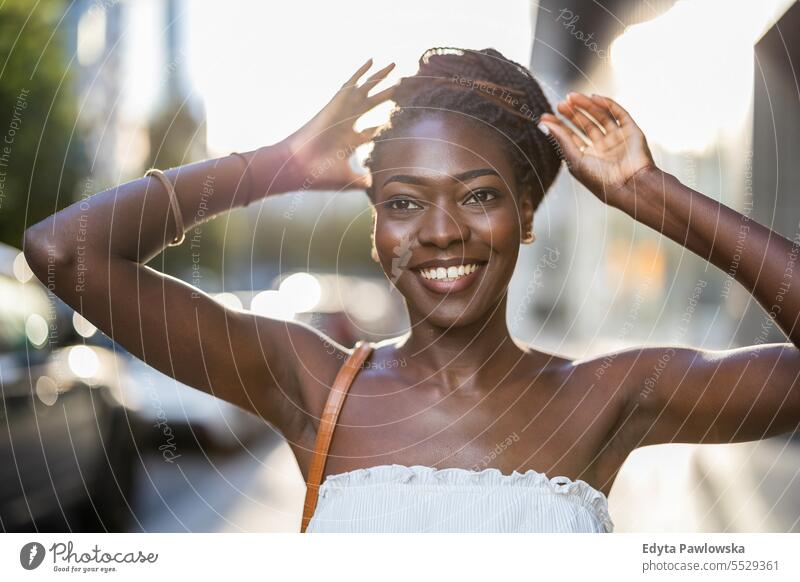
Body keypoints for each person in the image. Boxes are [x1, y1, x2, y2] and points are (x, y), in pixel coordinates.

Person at [23, 47, 800, 533]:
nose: (438, 230)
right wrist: (277, 164)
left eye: (478, 195)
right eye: (402, 201)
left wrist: (654, 195)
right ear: (375, 230)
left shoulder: (613, 395)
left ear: (526, 215)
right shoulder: (310, 383)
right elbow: (61, 251)